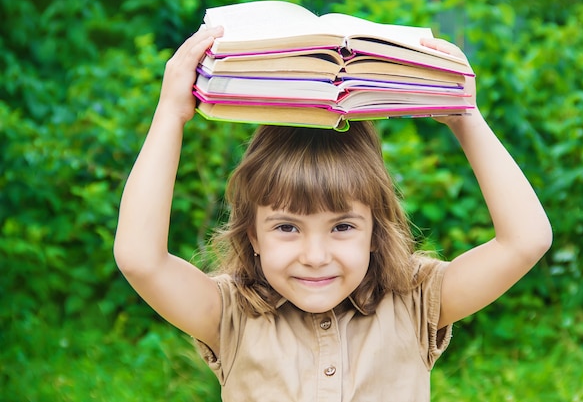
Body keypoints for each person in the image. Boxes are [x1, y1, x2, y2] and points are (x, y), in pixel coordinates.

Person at [114, 26, 552, 401]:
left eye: (342, 226)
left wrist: (464, 116)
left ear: (374, 231)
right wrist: (170, 113)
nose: (316, 255)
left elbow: (526, 241)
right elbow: (140, 259)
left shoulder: (416, 302)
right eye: (287, 227)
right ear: (252, 236)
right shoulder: (229, 315)